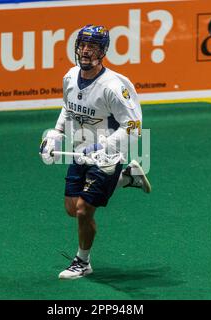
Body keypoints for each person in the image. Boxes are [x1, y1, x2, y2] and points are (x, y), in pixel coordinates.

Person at [39, 24, 151, 280]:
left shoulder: (113, 87)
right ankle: (128, 177)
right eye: (83, 45)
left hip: (108, 156)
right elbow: (68, 109)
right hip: (81, 151)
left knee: (83, 209)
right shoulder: (69, 76)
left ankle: (82, 261)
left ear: (103, 51)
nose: (86, 51)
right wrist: (56, 136)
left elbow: (133, 128)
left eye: (93, 47)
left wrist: (102, 147)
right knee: (70, 207)